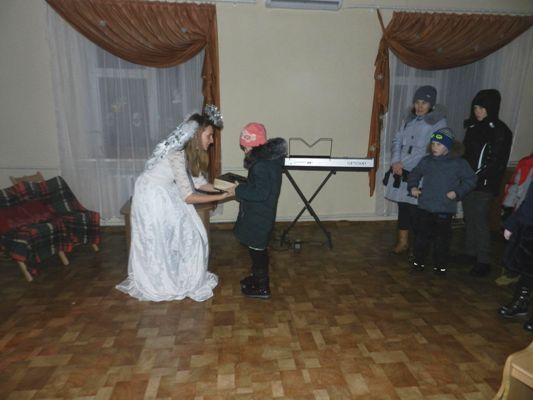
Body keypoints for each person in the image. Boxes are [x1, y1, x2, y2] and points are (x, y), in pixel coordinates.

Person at [116, 105, 234, 302]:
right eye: (209, 135)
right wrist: (221, 197)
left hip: (164, 191)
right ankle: (160, 280)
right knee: (160, 238)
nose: (212, 140)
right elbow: (188, 197)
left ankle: (178, 274)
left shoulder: (188, 153)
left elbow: (200, 183)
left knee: (189, 233)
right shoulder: (177, 154)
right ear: (196, 135)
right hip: (151, 194)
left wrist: (225, 188)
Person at [384, 86, 447, 255]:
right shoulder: (408, 120)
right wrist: (395, 161)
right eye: (417, 102)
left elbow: (430, 150)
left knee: (417, 211)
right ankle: (403, 242)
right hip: (401, 169)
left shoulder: (439, 123)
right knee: (403, 207)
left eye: (424, 103)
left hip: (420, 172)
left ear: (431, 105)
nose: (419, 106)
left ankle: (419, 248)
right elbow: (397, 140)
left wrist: (403, 164)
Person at [407, 128, 476, 275]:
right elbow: (415, 173)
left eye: (439, 144)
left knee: (442, 239)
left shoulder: (459, 163)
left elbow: (471, 180)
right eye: (433, 144)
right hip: (425, 207)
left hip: (444, 208)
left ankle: (440, 266)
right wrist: (413, 187)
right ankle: (418, 261)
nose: (434, 147)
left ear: (448, 146)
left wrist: (457, 192)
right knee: (421, 237)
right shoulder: (426, 161)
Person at [460, 89, 513, 277]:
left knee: (480, 220)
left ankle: (484, 261)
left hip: (486, 184)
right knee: (469, 217)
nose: (478, 112)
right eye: (475, 108)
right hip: (469, 181)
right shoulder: (473, 127)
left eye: (482, 108)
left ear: (491, 108)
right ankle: (470, 253)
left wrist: (475, 176)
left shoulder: (500, 130)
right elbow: (466, 155)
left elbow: (496, 161)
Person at [233, 123, 287, 299]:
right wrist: (244, 185)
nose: (245, 151)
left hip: (259, 216)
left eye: (246, 147)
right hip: (261, 213)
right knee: (255, 248)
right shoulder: (268, 161)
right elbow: (260, 186)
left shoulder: (261, 165)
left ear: (256, 146)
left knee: (258, 251)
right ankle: (257, 277)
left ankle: (262, 286)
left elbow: (261, 193)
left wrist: (237, 190)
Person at [497, 183, 533, 332]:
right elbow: (528, 200)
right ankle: (520, 303)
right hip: (529, 227)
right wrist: (512, 223)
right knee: (528, 270)